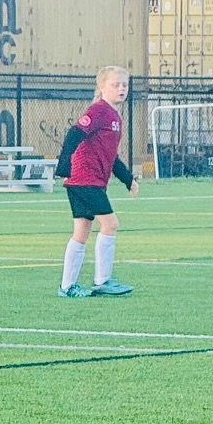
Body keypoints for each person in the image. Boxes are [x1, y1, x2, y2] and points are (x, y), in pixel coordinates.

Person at [57, 65, 138, 298]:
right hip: (84, 179)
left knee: (81, 232)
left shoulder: (115, 117)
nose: (121, 89)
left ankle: (67, 287)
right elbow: (74, 134)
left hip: (88, 181)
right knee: (110, 224)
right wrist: (64, 166)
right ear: (102, 87)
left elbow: (110, 156)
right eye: (115, 84)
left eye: (125, 85)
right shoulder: (99, 111)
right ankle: (102, 281)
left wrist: (127, 179)